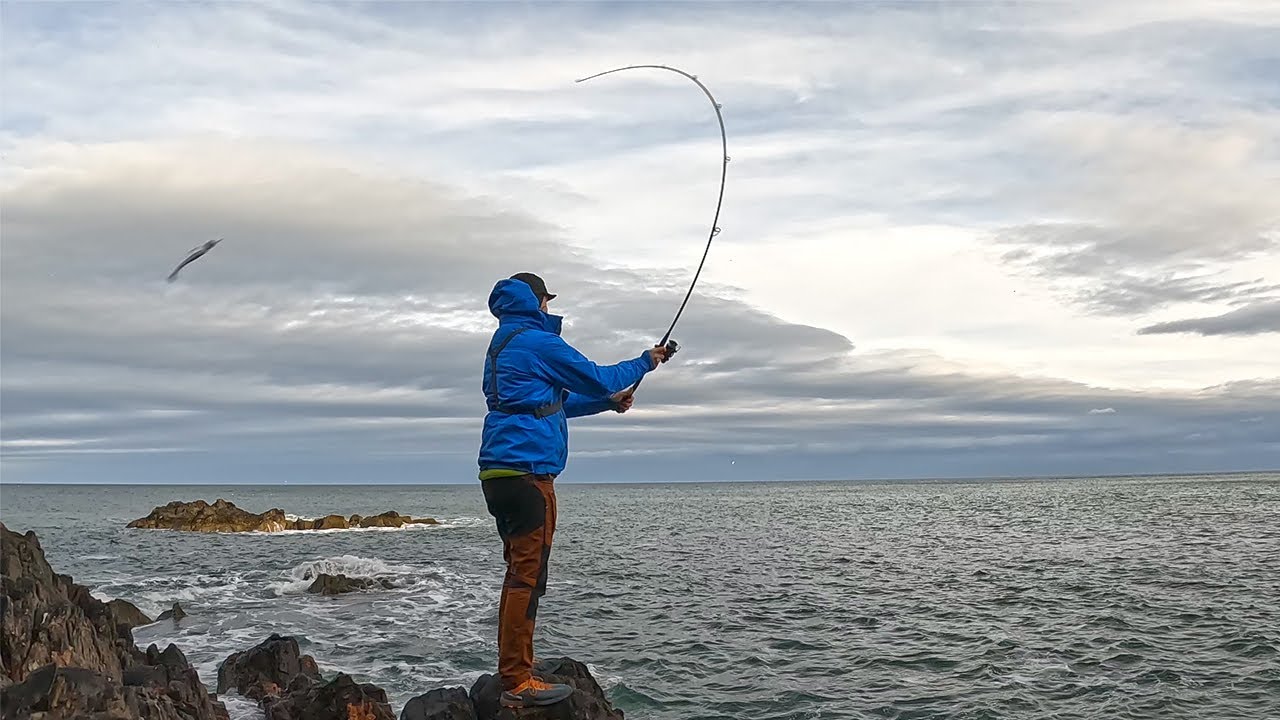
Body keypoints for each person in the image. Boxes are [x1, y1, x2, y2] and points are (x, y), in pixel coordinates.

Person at [477, 272, 668, 708]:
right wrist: (644, 362)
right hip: (528, 475)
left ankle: (518, 663)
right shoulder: (536, 342)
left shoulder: (504, 344)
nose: (548, 307)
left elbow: (550, 402)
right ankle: (516, 680)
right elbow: (597, 376)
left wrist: (607, 403)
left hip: (500, 472)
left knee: (518, 573)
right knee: (528, 576)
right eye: (545, 300)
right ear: (535, 300)